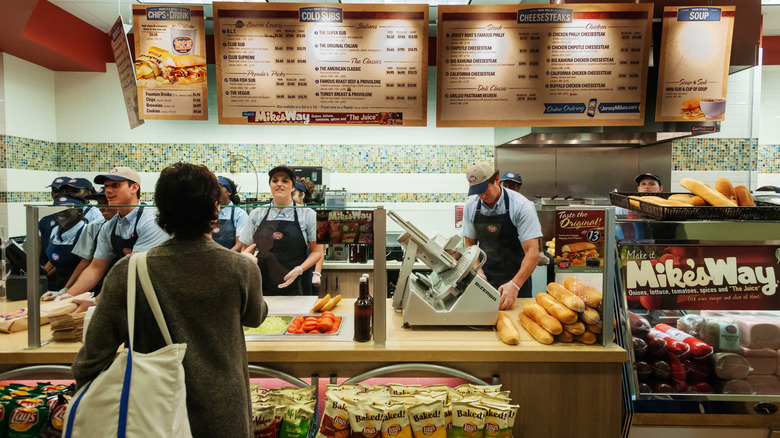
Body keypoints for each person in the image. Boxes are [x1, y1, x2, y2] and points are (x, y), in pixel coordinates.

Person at [72, 162, 267, 438]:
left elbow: (91, 359)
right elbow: (255, 317)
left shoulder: (129, 270)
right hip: (222, 413)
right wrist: (251, 269)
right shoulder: (240, 268)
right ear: (215, 208)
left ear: (160, 211)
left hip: (149, 414)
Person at [55, 167, 171, 309]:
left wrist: (97, 301)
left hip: (159, 297)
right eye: (106, 186)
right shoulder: (110, 226)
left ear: (134, 188)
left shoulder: (151, 221)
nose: (108, 191)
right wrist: (67, 296)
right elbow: (95, 268)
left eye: (115, 185)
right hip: (130, 294)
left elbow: (133, 270)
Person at [462, 162, 542, 310]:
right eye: (477, 191)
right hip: (485, 280)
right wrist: (478, 272)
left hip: (517, 282)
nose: (482, 195)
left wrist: (515, 284)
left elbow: (532, 253)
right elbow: (470, 244)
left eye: (484, 189)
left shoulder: (522, 206)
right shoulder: (471, 206)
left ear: (497, 180)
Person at [239, 166, 323, 296]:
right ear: (270, 185)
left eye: (285, 181)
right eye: (275, 180)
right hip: (262, 283)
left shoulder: (308, 214)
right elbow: (245, 249)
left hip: (298, 282)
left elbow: (317, 251)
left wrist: (300, 269)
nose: (279, 184)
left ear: (293, 186)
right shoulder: (257, 214)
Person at [42, 188, 118, 300]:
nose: (102, 207)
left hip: (117, 286)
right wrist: (65, 291)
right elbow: (86, 263)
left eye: (106, 203)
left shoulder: (139, 224)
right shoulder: (94, 226)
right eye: (99, 203)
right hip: (90, 287)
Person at [42, 195, 89, 291]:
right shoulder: (55, 230)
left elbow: (85, 263)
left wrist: (66, 290)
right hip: (55, 286)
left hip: (78, 287)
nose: (60, 212)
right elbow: (56, 260)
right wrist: (41, 275)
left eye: (66, 209)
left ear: (79, 211)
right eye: (57, 208)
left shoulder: (86, 231)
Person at [292, 178, 324, 295]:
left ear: (302, 194)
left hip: (308, 269)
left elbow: (320, 249)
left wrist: (317, 273)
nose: (290, 198)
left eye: (293, 194)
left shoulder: (311, 214)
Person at [213, 176, 249, 251]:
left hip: (231, 259)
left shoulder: (239, 214)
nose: (214, 191)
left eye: (218, 187)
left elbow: (240, 244)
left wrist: (226, 258)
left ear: (229, 192)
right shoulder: (208, 212)